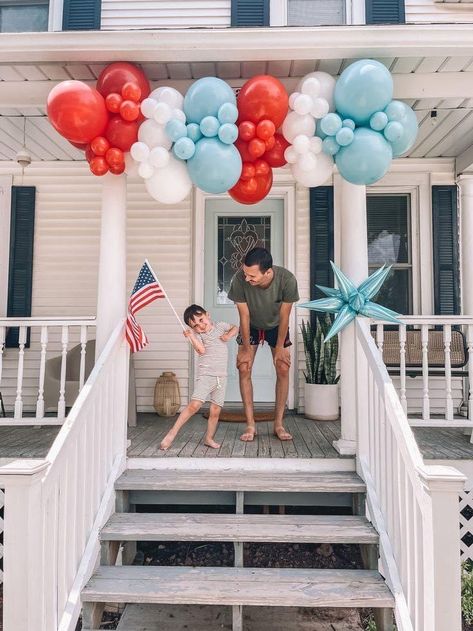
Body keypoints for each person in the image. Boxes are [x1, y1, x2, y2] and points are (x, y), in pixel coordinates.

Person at [228, 247, 299, 442]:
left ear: (268, 272)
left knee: (283, 367)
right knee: (244, 367)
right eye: (245, 273)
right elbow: (244, 315)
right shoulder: (240, 279)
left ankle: (278, 424)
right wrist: (244, 349)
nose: (247, 278)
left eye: (252, 276)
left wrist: (281, 347)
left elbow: (285, 316)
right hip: (250, 324)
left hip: (276, 325)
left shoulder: (287, 280)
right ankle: (250, 425)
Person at [160, 304, 238, 450]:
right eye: (195, 325)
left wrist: (229, 334)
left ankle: (209, 438)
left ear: (207, 315)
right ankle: (172, 433)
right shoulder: (197, 336)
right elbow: (201, 350)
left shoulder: (221, 326)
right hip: (206, 376)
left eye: (201, 320)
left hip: (221, 377)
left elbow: (235, 327)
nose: (200, 326)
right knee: (194, 405)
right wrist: (191, 336)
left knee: (215, 411)